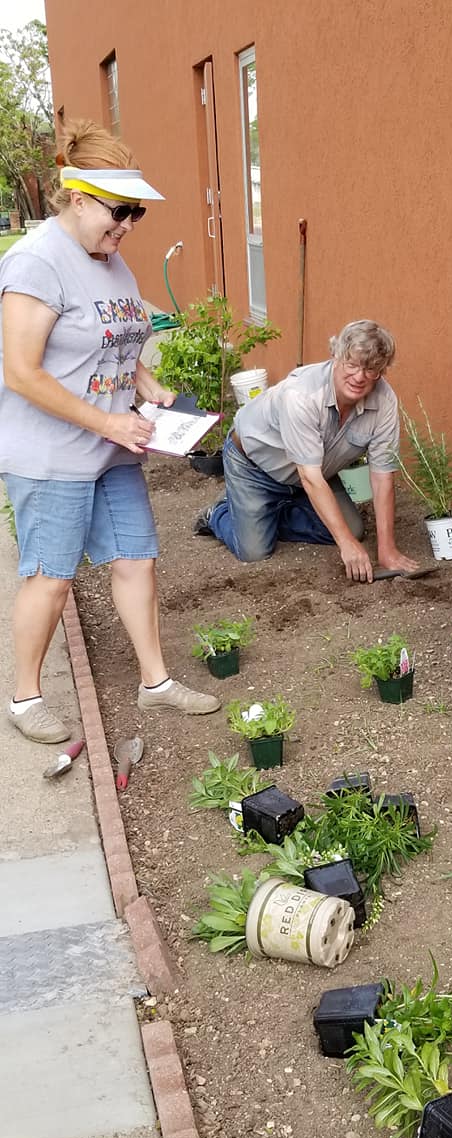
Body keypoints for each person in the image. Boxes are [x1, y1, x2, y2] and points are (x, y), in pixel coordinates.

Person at [0, 118, 220, 744]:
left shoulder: (112, 263)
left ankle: (155, 684)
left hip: (113, 445)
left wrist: (146, 384)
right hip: (53, 452)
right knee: (52, 574)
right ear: (77, 198)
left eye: (136, 214)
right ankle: (25, 699)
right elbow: (21, 371)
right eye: (118, 211)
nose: (126, 226)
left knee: (136, 558)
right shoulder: (37, 263)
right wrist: (107, 420)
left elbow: (116, 342)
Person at [194, 320, 419, 583]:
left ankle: (271, 513)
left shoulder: (384, 401)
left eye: (371, 369)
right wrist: (345, 545)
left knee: (354, 530)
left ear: (382, 371)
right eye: (352, 364)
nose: (360, 377)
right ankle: (219, 513)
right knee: (254, 551)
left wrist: (387, 550)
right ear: (336, 356)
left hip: (315, 472)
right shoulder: (302, 395)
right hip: (255, 467)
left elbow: (382, 477)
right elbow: (310, 478)